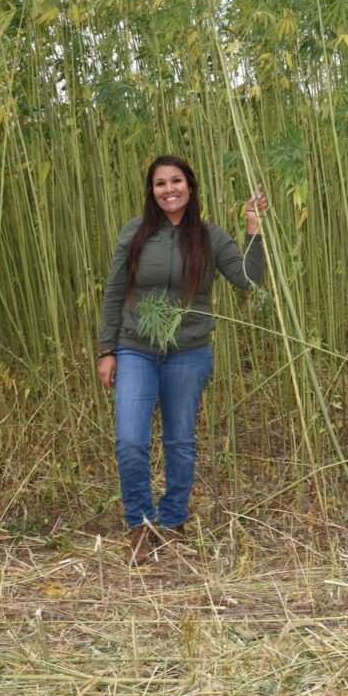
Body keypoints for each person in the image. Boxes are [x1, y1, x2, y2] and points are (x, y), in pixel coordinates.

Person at [97, 155, 268, 565]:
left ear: (190, 187)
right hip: (136, 348)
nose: (168, 189)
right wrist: (107, 350)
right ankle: (139, 524)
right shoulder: (135, 233)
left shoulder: (209, 237)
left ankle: (172, 522)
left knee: (179, 440)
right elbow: (115, 292)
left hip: (189, 352)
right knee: (131, 440)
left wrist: (252, 228)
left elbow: (249, 281)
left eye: (176, 181)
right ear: (151, 192)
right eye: (160, 183)